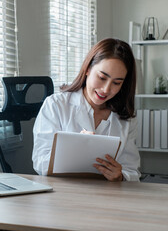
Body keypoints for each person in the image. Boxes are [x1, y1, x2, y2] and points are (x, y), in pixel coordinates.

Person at [32, 38, 140, 182]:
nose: (106, 89)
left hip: (108, 196)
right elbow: (40, 163)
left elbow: (132, 170)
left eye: (117, 82)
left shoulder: (126, 117)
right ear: (88, 69)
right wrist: (72, 149)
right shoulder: (56, 105)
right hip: (64, 194)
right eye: (102, 77)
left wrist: (120, 176)